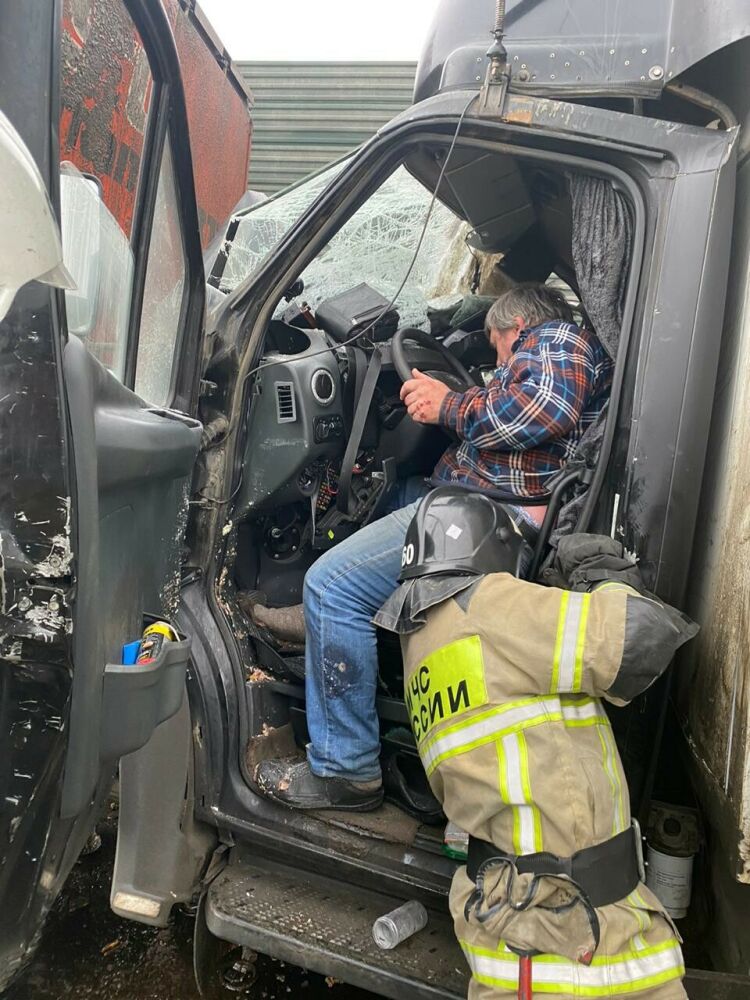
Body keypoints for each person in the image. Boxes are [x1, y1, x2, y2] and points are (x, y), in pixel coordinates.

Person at [256, 282, 613, 810]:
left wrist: (449, 405)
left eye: (497, 347)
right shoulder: (549, 350)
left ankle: (345, 769)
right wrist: (461, 401)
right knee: (387, 489)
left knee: (329, 586)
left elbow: (542, 411)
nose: (499, 361)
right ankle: (332, 630)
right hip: (475, 496)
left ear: (515, 327)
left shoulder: (557, 337)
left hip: (494, 514)